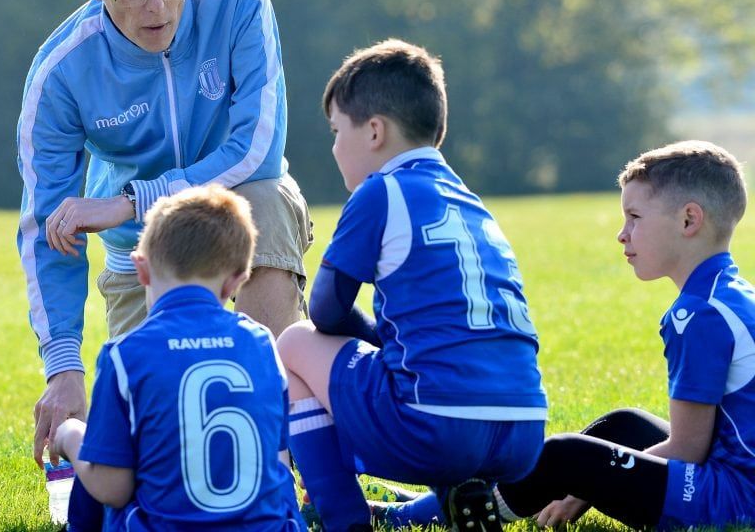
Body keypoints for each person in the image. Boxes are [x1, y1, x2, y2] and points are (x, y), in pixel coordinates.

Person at [19, 0, 312, 463]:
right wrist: (64, 366)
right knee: (159, 459)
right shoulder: (60, 74)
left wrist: (130, 200)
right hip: (141, 261)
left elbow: (257, 149)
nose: (156, 7)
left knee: (265, 194)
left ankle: (292, 460)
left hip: (238, 222)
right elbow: (45, 226)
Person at [276, 39, 547, 532]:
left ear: (374, 131)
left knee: (294, 342)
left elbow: (326, 312)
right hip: (524, 430)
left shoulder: (381, 190)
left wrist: (382, 340)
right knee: (429, 366)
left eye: (338, 131)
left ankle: (341, 517)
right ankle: (458, 500)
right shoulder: (470, 201)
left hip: (435, 428)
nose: (334, 147)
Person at [478, 141, 755, 529]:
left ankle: (451, 512)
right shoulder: (732, 293)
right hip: (736, 477)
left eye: (635, 217)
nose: (622, 235)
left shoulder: (699, 314)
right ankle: (458, 497)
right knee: (623, 425)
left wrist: (585, 485)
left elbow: (689, 449)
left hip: (737, 498)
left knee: (567, 457)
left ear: (689, 220)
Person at [50, 184, 305, 530]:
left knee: (99, 452)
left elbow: (112, 487)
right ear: (236, 282)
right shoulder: (261, 344)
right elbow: (277, 463)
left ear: (141, 269)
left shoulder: (125, 354)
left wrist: (68, 435)